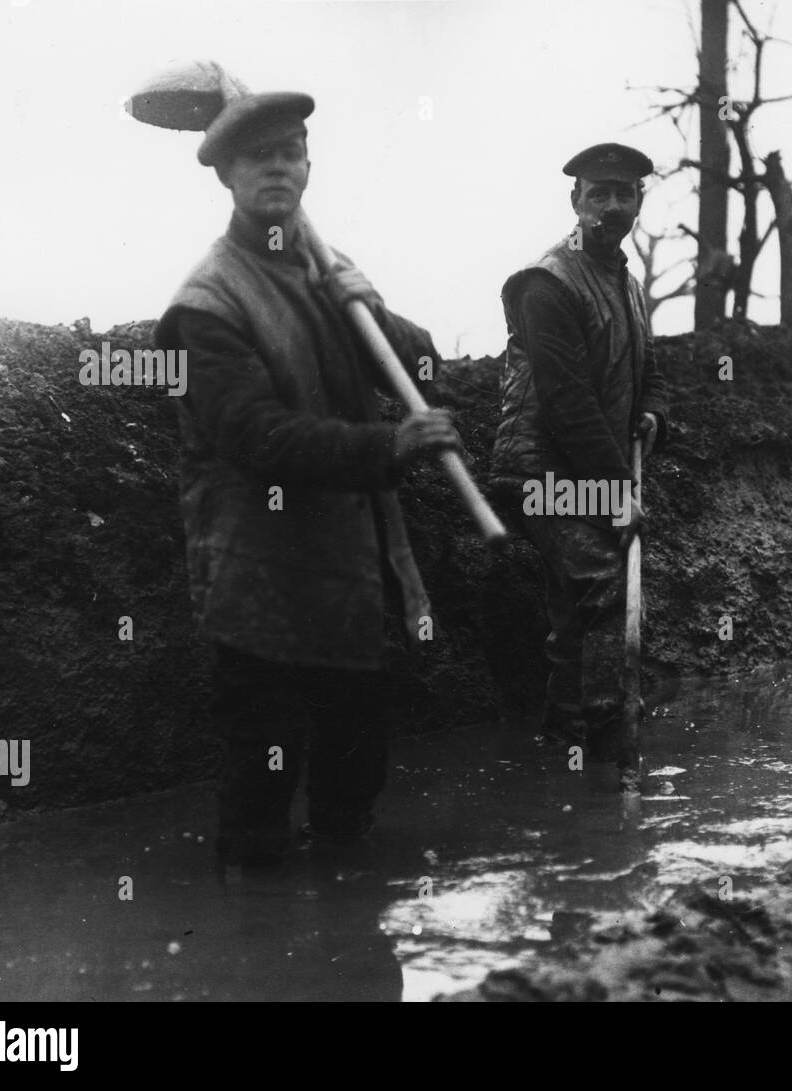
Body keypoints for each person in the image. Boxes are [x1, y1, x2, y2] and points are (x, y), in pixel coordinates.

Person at [153, 88, 463, 869]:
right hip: (258, 585)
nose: (279, 168)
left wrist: (376, 313)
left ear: (310, 166)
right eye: (261, 157)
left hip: (345, 576)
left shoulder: (329, 273)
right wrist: (390, 448)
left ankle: (345, 948)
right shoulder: (207, 303)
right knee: (261, 789)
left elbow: (424, 369)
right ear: (225, 174)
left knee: (353, 781)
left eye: (292, 152)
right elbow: (257, 437)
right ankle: (255, 948)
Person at [489, 143, 669, 769]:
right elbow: (567, 400)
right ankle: (609, 758)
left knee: (573, 612)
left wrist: (653, 413)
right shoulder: (548, 283)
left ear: (639, 203)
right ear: (576, 202)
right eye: (600, 194)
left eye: (625, 193)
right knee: (604, 592)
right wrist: (619, 495)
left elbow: (651, 371)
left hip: (590, 467)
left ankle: (560, 755)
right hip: (540, 468)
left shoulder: (629, 284)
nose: (613, 205)